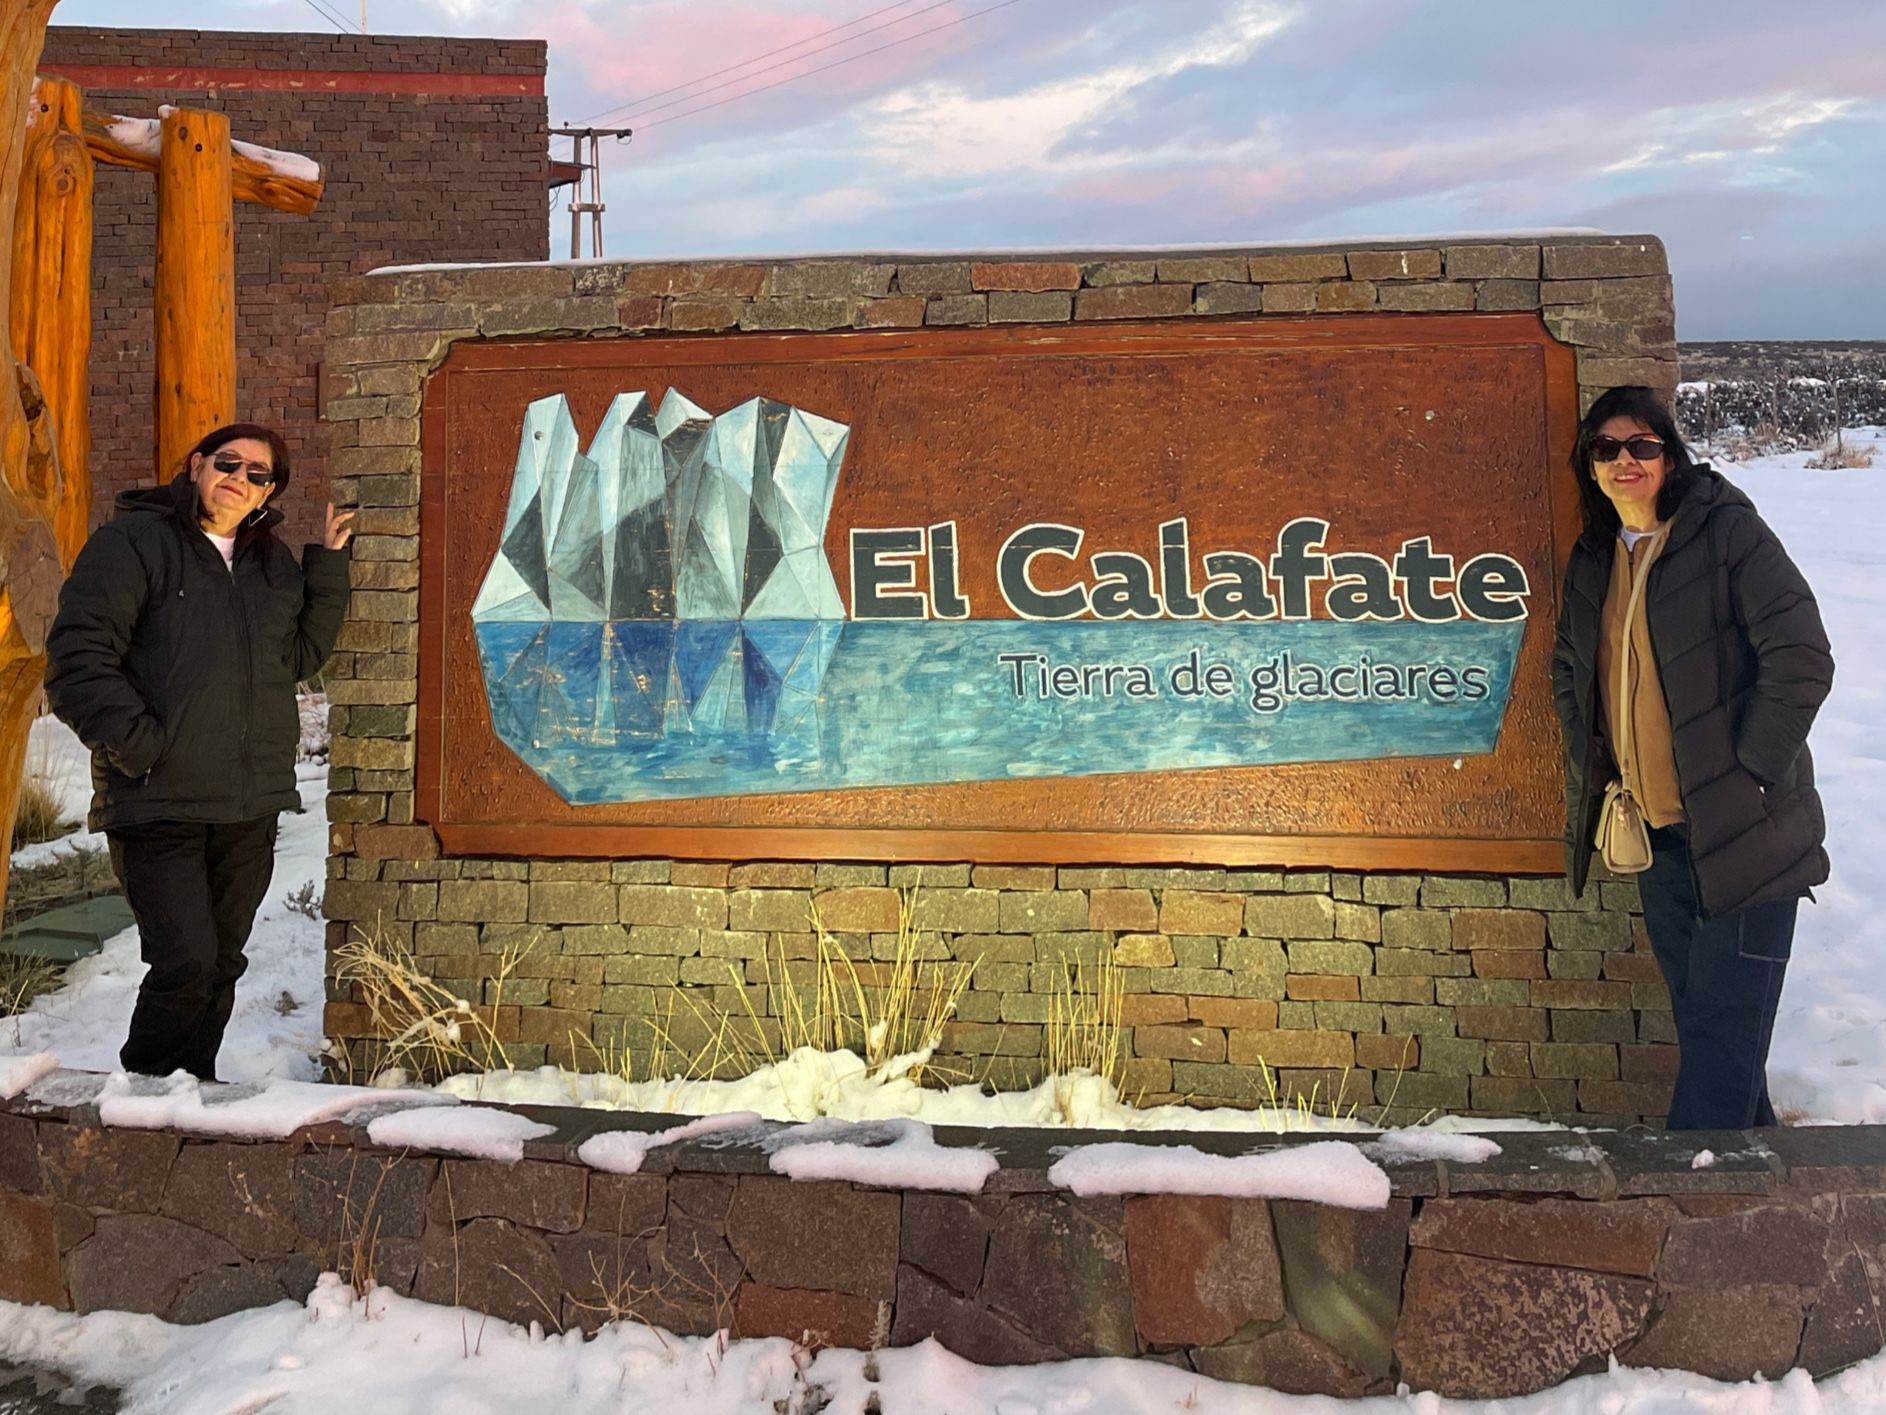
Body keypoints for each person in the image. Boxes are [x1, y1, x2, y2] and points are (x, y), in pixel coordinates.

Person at [1550, 386, 1833, 1129]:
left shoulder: (1725, 533)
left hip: (1747, 841)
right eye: (1606, 448)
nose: (1624, 460)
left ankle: (1683, 1213)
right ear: (1590, 463)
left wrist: (1750, 773)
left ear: (1670, 455)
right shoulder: (1595, 557)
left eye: (1642, 445)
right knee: (1716, 1043)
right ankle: (1763, 1211)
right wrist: (1606, 772)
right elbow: (1569, 671)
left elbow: (1802, 655)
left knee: (1715, 1060)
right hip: (1663, 843)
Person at [44, 424, 354, 1080]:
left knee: (220, 961)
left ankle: (193, 1090)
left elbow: (295, 658)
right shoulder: (132, 543)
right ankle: (148, 1098)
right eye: (227, 462)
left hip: (248, 804)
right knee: (184, 959)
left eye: (257, 472)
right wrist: (142, 748)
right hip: (158, 800)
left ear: (270, 490)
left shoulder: (268, 562)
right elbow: (77, 661)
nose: (239, 477)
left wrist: (326, 568)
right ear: (196, 465)